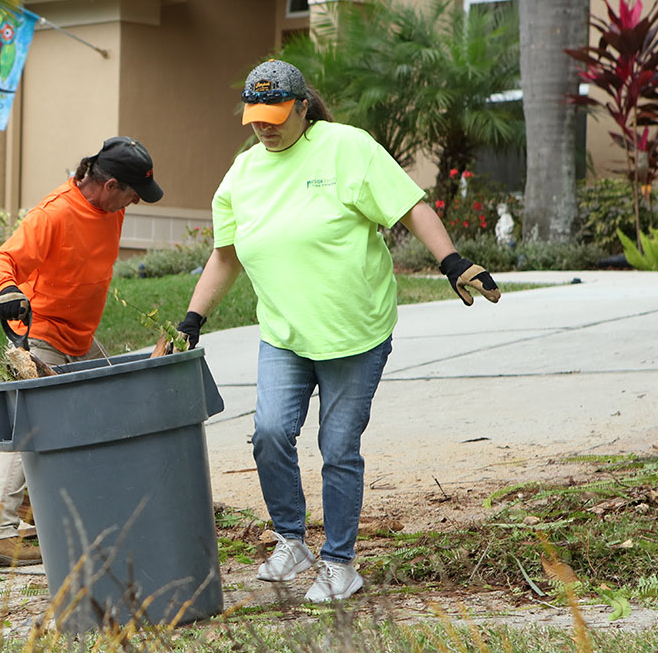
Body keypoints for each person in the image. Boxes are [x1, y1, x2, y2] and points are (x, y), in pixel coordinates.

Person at [178, 60, 500, 603]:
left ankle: (340, 563)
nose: (265, 126)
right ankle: (292, 537)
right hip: (284, 333)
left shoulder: (345, 147)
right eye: (257, 117)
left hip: (357, 333)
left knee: (338, 445)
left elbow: (410, 207)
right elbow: (225, 255)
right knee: (270, 434)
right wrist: (193, 319)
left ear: (303, 107)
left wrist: (451, 261)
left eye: (277, 115)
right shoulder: (242, 174)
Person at [0, 136, 163, 567]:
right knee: (30, 430)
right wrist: (6, 289)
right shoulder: (53, 214)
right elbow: (0, 260)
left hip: (80, 336)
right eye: (131, 193)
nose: (134, 203)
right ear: (110, 184)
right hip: (42, 336)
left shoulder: (111, 209)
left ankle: (58, 516)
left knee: (108, 415)